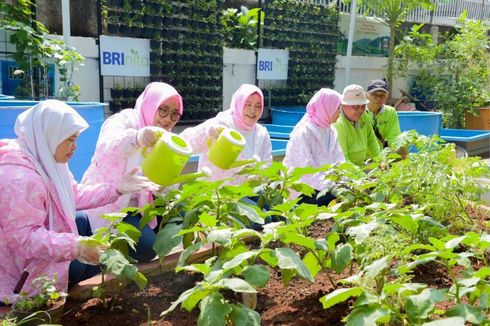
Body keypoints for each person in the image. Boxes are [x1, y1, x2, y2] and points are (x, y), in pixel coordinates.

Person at [0, 100, 149, 304]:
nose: (75, 147)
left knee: (84, 240)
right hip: (14, 271)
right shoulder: (19, 178)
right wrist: (75, 246)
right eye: (70, 140)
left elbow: (74, 194)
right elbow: (24, 239)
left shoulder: (46, 157)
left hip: (30, 252)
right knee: (79, 264)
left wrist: (117, 188)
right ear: (51, 135)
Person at [81, 82, 184, 263]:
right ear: (151, 105)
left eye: (175, 114)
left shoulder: (164, 138)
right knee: (138, 248)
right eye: (163, 110)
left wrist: (164, 187)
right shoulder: (126, 120)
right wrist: (136, 138)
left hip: (137, 206)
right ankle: (105, 264)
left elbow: (167, 176)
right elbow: (107, 145)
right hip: (107, 203)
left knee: (155, 240)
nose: (168, 119)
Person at [180, 84, 272, 186]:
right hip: (215, 195)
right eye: (248, 104)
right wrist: (208, 132)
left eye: (258, 106)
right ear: (239, 103)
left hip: (246, 195)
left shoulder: (261, 133)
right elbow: (187, 142)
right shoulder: (221, 124)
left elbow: (267, 163)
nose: (253, 110)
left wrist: (259, 177)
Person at [283, 88, 344, 206]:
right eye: (337, 108)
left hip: (325, 185)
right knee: (334, 198)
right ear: (327, 108)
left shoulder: (330, 131)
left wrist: (343, 182)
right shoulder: (303, 134)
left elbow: (339, 160)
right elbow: (306, 173)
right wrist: (332, 186)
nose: (340, 112)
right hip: (303, 190)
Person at [334, 84, 381, 166]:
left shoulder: (363, 115)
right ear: (344, 105)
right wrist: (362, 177)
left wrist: (380, 160)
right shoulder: (338, 123)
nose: (360, 110)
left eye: (363, 106)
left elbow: (371, 140)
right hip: (344, 171)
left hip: (360, 165)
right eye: (355, 107)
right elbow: (343, 160)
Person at [365, 79, 402, 148]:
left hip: (380, 155)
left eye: (382, 95)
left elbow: (394, 137)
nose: (378, 98)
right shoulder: (360, 111)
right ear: (366, 95)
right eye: (374, 94)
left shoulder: (390, 112)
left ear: (386, 96)